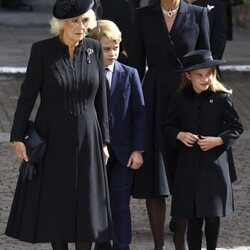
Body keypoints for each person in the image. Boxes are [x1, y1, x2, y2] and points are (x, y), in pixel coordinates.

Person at [5, 0, 112, 249]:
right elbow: (27, 95)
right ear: (61, 24)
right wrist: (17, 137)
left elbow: (101, 101)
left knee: (87, 206)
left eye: (85, 20)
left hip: (89, 137)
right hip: (52, 138)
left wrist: (105, 141)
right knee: (57, 205)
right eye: (74, 21)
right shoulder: (42, 50)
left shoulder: (95, 49)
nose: (80, 26)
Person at [131, 0, 210, 249]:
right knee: (155, 172)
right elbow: (134, 64)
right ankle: (158, 245)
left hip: (187, 97)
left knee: (186, 173)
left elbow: (206, 64)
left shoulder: (197, 15)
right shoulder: (143, 16)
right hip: (153, 97)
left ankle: (180, 241)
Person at [163, 49, 243, 250]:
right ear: (188, 76)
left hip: (214, 166)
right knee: (194, 218)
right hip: (188, 166)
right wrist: (179, 135)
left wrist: (218, 140)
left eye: (208, 73)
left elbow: (236, 128)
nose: (205, 79)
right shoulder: (179, 99)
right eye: (199, 75)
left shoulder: (222, 98)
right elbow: (167, 127)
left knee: (213, 217)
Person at [89, 20, 146, 250]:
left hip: (124, 153)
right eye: (105, 49)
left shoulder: (130, 74)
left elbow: (139, 113)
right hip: (94, 152)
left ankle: (122, 246)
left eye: (115, 47)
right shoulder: (86, 75)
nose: (112, 53)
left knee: (120, 203)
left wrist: (138, 149)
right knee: (99, 204)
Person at [100, 0, 134, 65]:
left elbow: (129, 42)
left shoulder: (121, 5)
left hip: (116, 62)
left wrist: (122, 57)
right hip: (86, 61)